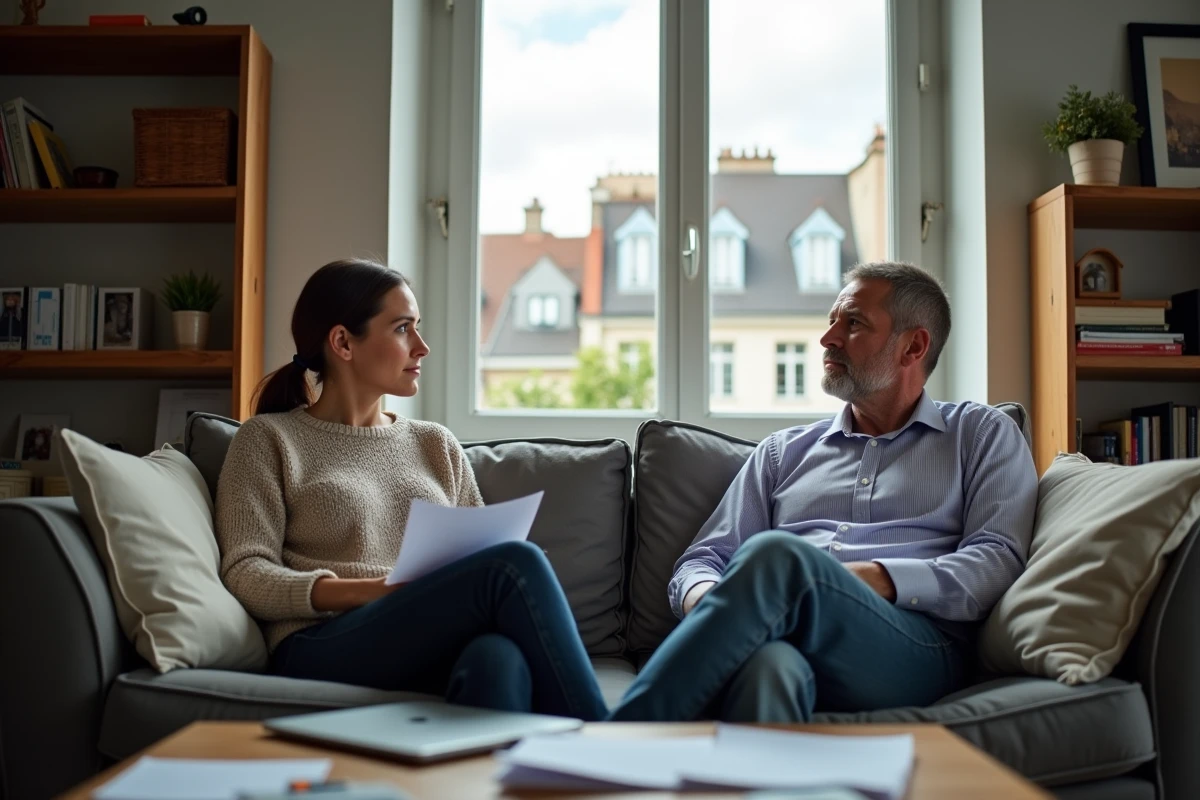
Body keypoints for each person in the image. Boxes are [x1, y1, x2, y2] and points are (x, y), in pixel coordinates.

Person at [609, 261, 1038, 723]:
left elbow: (997, 560)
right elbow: (702, 560)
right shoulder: (783, 453)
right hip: (782, 632)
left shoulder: (980, 433)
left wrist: (861, 579)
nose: (827, 338)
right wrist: (721, 606)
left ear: (912, 346)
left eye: (853, 323)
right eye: (832, 320)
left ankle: (622, 740)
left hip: (917, 644)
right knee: (770, 668)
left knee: (778, 556)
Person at [215, 258, 607, 720]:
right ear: (342, 342)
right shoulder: (268, 440)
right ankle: (607, 747)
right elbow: (246, 572)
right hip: (320, 643)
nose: (421, 347)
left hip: (424, 636)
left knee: (497, 659)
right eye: (403, 329)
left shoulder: (434, 443)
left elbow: (480, 550)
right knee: (514, 565)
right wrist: (373, 590)